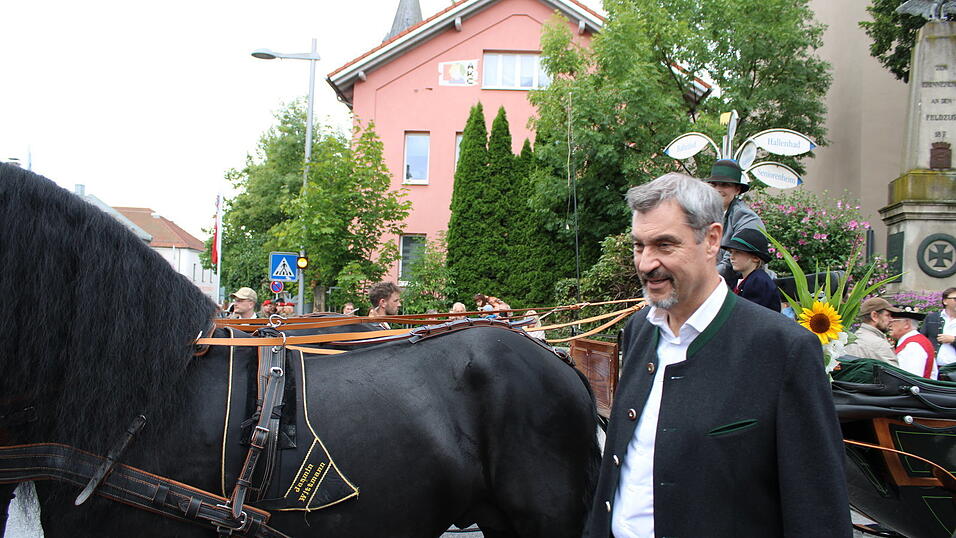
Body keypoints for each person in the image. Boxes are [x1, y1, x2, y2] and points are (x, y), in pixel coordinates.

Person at [585, 172, 849, 537]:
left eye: (664, 245)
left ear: (711, 240)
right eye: (639, 246)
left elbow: (818, 509)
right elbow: (623, 470)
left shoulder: (783, 349)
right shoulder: (639, 331)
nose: (646, 263)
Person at [702, 159, 766, 287]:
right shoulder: (706, 214)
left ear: (737, 190)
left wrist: (699, 280)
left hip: (744, 290)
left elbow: (730, 264)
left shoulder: (745, 217)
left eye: (724, 185)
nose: (718, 189)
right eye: (714, 185)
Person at [721, 228, 780, 312]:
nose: (732, 257)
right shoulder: (740, 280)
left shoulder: (758, 281)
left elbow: (750, 316)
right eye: (731, 252)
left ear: (755, 258)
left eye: (737, 252)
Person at [843, 298, 900, 366]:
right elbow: (895, 374)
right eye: (887, 315)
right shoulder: (879, 344)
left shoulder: (852, 339)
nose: (891, 319)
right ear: (874, 316)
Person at [890, 311, 937, 379]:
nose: (889, 324)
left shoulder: (912, 346)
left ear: (906, 324)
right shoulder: (915, 341)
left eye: (892, 321)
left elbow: (911, 379)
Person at [920, 287, 956, 367]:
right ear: (945, 301)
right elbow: (921, 339)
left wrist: (953, 340)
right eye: (955, 299)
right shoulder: (932, 318)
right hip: (935, 367)